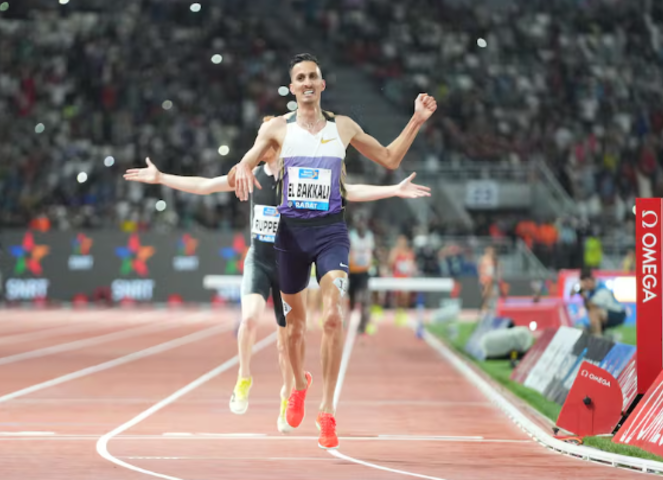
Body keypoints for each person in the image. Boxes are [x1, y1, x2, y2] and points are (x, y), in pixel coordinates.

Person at [122, 118, 431, 434]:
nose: (265, 142)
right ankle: (244, 377)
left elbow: (347, 191)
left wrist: (394, 190)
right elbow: (205, 185)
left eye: (270, 138)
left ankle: (288, 395)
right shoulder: (249, 174)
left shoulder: (296, 174)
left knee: (287, 344)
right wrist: (161, 177)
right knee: (249, 320)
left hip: (288, 262)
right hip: (259, 261)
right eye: (262, 136)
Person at [231, 52, 437, 449]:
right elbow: (250, 158)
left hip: (330, 234)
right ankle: (298, 385)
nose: (308, 83)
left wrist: (415, 120)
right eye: (301, 78)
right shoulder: (276, 128)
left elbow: (390, 158)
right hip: (290, 238)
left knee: (331, 317)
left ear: (322, 84)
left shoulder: (342, 127)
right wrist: (241, 167)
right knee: (293, 330)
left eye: (313, 76)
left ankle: (326, 412)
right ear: (293, 88)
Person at [577, 268, 626, 337]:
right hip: (606, 312)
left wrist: (582, 293)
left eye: (586, 283)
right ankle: (606, 335)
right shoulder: (591, 290)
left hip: (617, 313)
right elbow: (572, 294)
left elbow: (591, 305)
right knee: (586, 326)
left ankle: (598, 337)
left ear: (591, 280)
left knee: (594, 312)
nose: (586, 285)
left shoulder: (602, 290)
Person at [348, 216, 376, 335]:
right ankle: (350, 316)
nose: (361, 225)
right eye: (359, 223)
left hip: (364, 271)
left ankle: (363, 324)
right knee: (352, 298)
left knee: (365, 298)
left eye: (363, 223)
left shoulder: (369, 237)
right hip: (353, 271)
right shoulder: (351, 236)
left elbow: (372, 251)